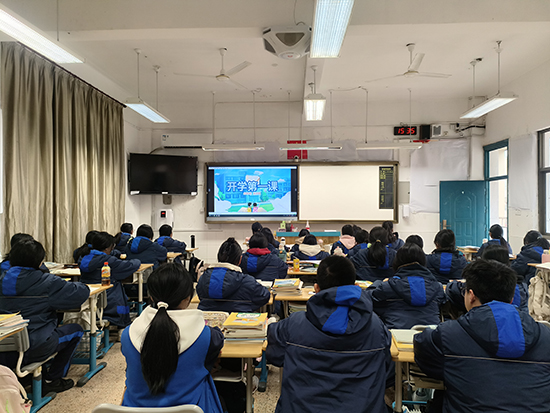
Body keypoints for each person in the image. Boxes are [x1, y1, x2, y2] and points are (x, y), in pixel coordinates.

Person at [414, 259, 550, 412]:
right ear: (511, 299)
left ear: (471, 295)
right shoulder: (545, 337)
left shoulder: (449, 334)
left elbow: (423, 353)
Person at [266, 255, 392, 413]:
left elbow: (274, 355)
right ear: (355, 286)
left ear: (316, 289)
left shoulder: (294, 324)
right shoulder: (377, 327)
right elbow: (388, 371)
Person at [121, 263, 223, 412]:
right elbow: (217, 341)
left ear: (151, 296)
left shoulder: (128, 334)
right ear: (187, 298)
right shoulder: (205, 336)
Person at [0, 239, 89, 393]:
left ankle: (23, 376)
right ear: (40, 261)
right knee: (76, 330)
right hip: (35, 346)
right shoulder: (47, 281)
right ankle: (53, 379)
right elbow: (80, 293)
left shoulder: (2, 279)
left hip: (3, 347)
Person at [370, 243, 445, 329]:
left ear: (397, 262)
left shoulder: (388, 286)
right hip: (431, 335)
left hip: (396, 334)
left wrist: (378, 283)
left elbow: (367, 299)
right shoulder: (438, 287)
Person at [79, 231, 141, 327]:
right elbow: (130, 266)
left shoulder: (83, 259)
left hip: (87, 303)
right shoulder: (109, 261)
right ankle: (122, 323)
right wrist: (137, 260)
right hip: (109, 306)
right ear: (108, 248)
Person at [196, 238, 270, 312]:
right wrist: (247, 306)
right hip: (238, 319)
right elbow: (265, 296)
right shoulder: (247, 281)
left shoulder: (203, 279)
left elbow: (201, 297)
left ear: (218, 257)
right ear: (240, 260)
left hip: (206, 319)